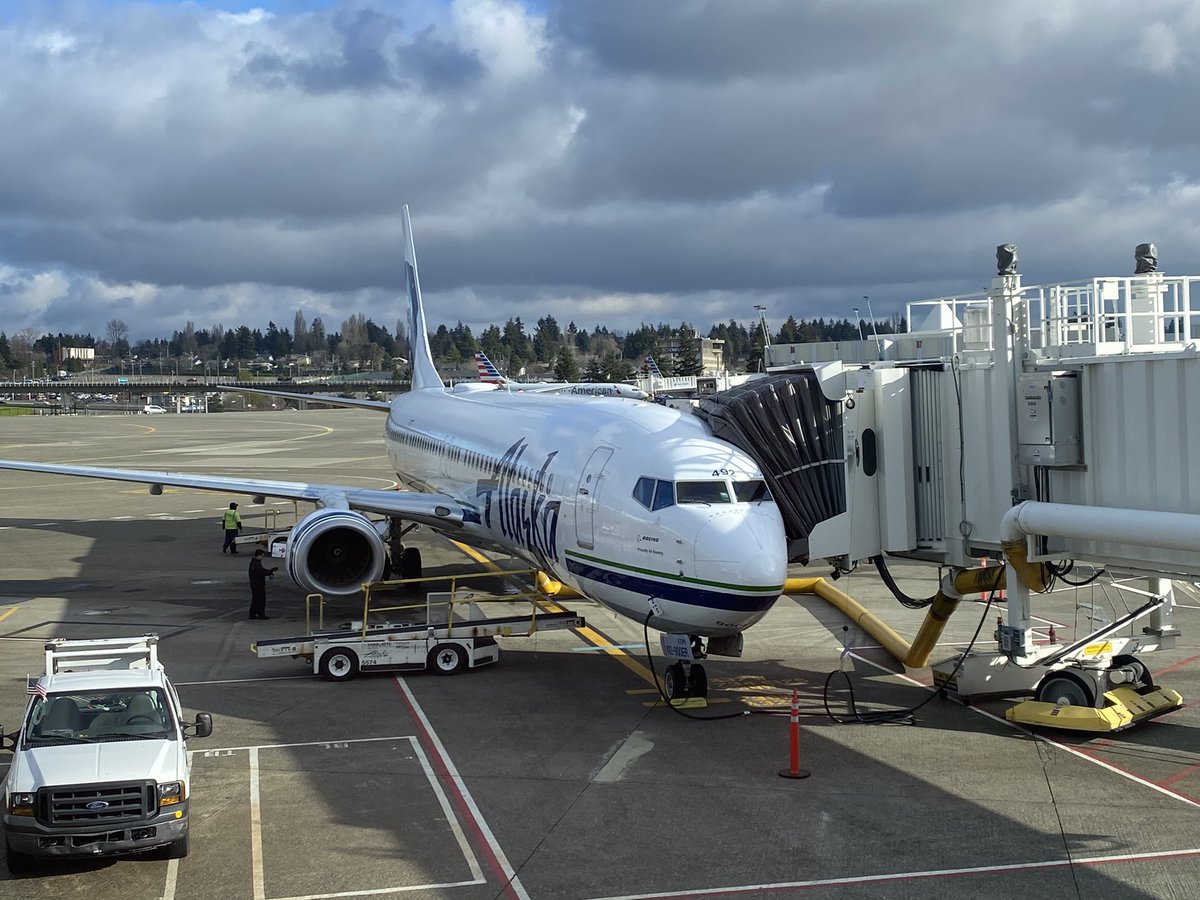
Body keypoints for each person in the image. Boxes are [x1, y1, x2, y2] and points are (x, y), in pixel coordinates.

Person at [247, 549, 277, 620]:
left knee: (255, 600)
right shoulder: (256, 564)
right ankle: (261, 614)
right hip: (258, 585)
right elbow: (261, 572)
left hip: (255, 584)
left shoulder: (254, 563)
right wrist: (270, 571)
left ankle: (253, 614)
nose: (262, 558)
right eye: (262, 556)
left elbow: (261, 571)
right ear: (259, 555)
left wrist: (269, 571)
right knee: (260, 600)